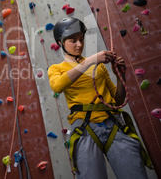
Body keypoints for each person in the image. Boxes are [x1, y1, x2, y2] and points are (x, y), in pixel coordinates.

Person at [47, 17, 152, 179]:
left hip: (114, 123)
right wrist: (90, 61)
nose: (79, 44)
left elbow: (117, 101)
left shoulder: (99, 66)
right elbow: (57, 86)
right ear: (60, 43)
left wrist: (120, 77)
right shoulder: (57, 68)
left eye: (81, 39)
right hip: (85, 128)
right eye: (73, 41)